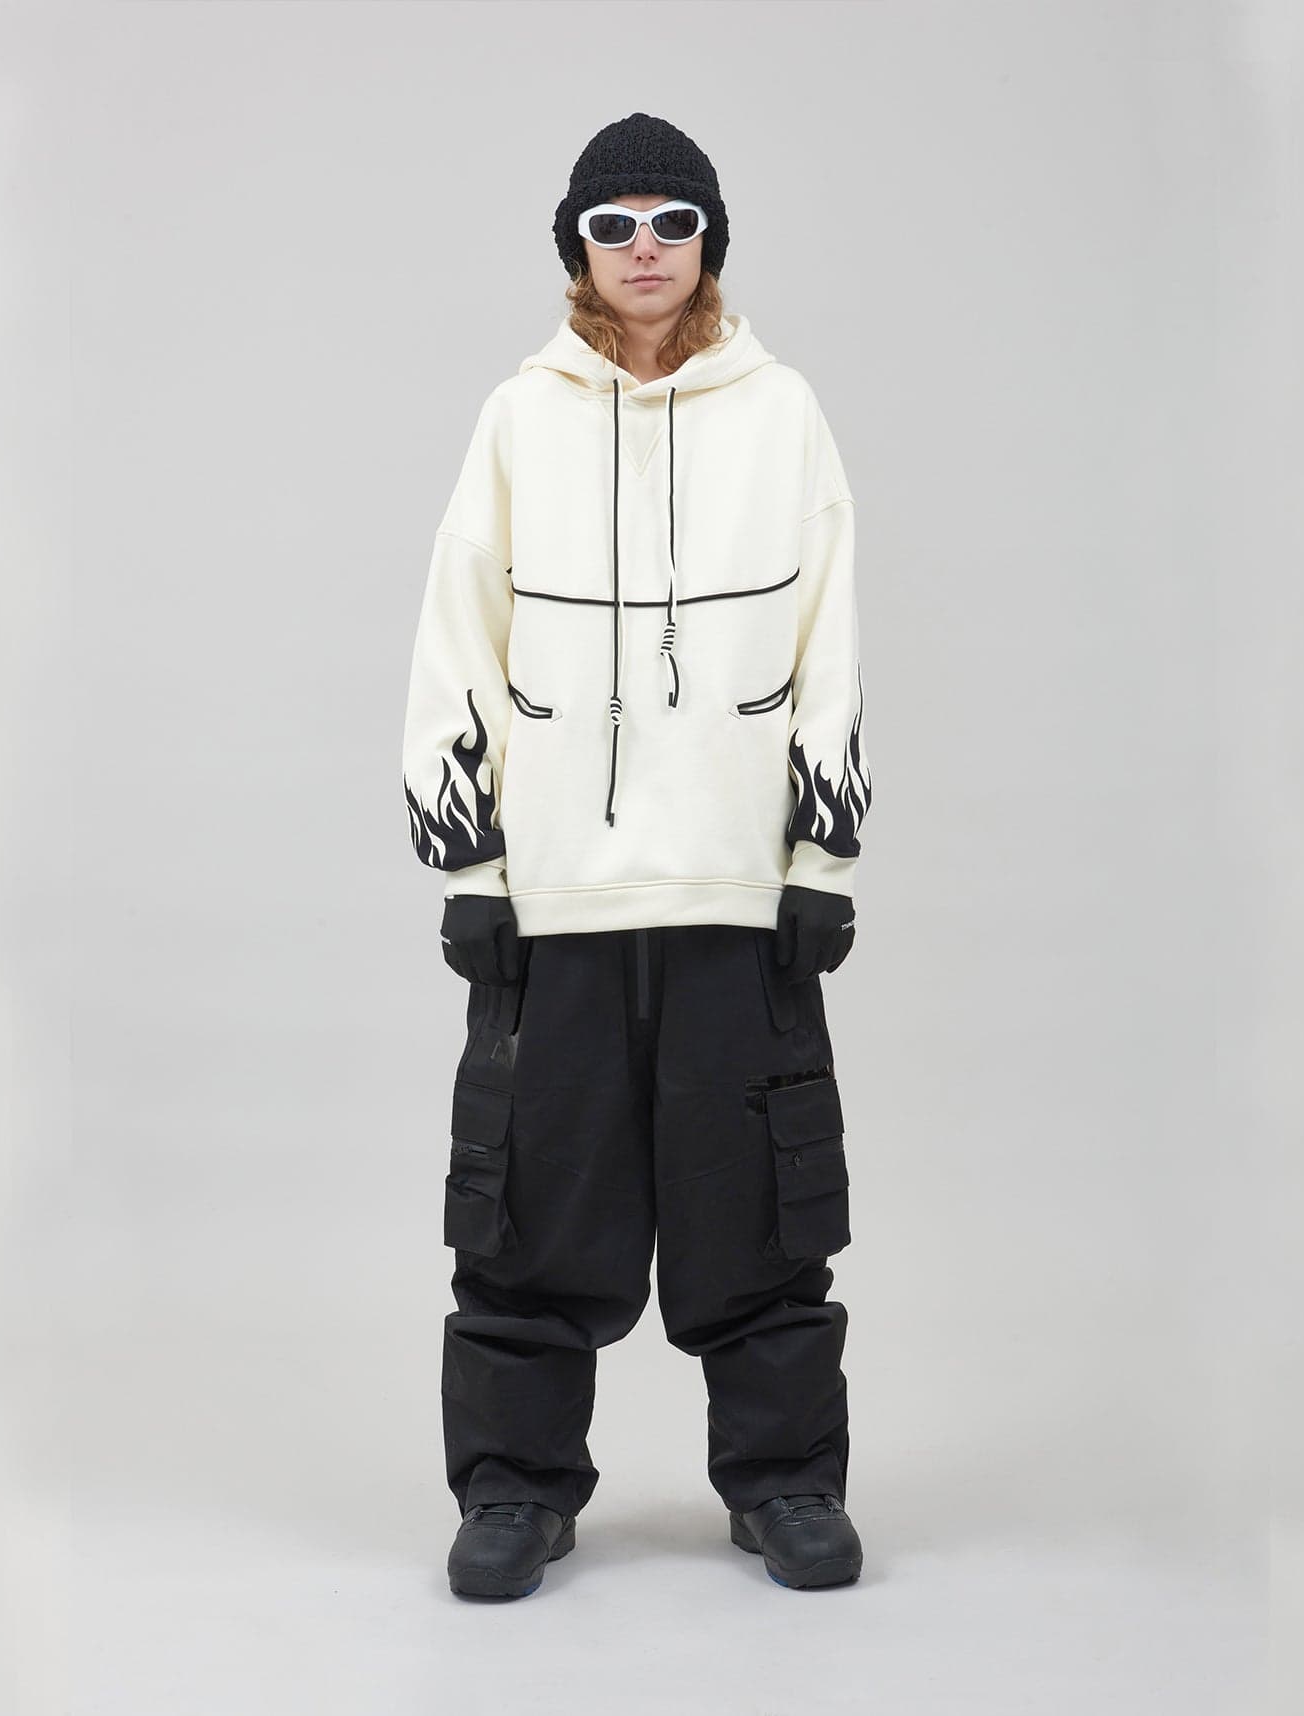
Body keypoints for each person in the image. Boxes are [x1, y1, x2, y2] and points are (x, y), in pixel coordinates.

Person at [402, 111, 872, 1600]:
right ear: (578, 250)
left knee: (761, 1211)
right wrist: (472, 869)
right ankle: (515, 1488)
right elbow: (456, 634)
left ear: (710, 241)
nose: (646, 247)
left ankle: (786, 1480)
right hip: (558, 893)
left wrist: (822, 860)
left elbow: (832, 634)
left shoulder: (783, 411)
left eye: (674, 221)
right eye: (615, 225)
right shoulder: (517, 416)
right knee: (532, 1211)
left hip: (738, 886)